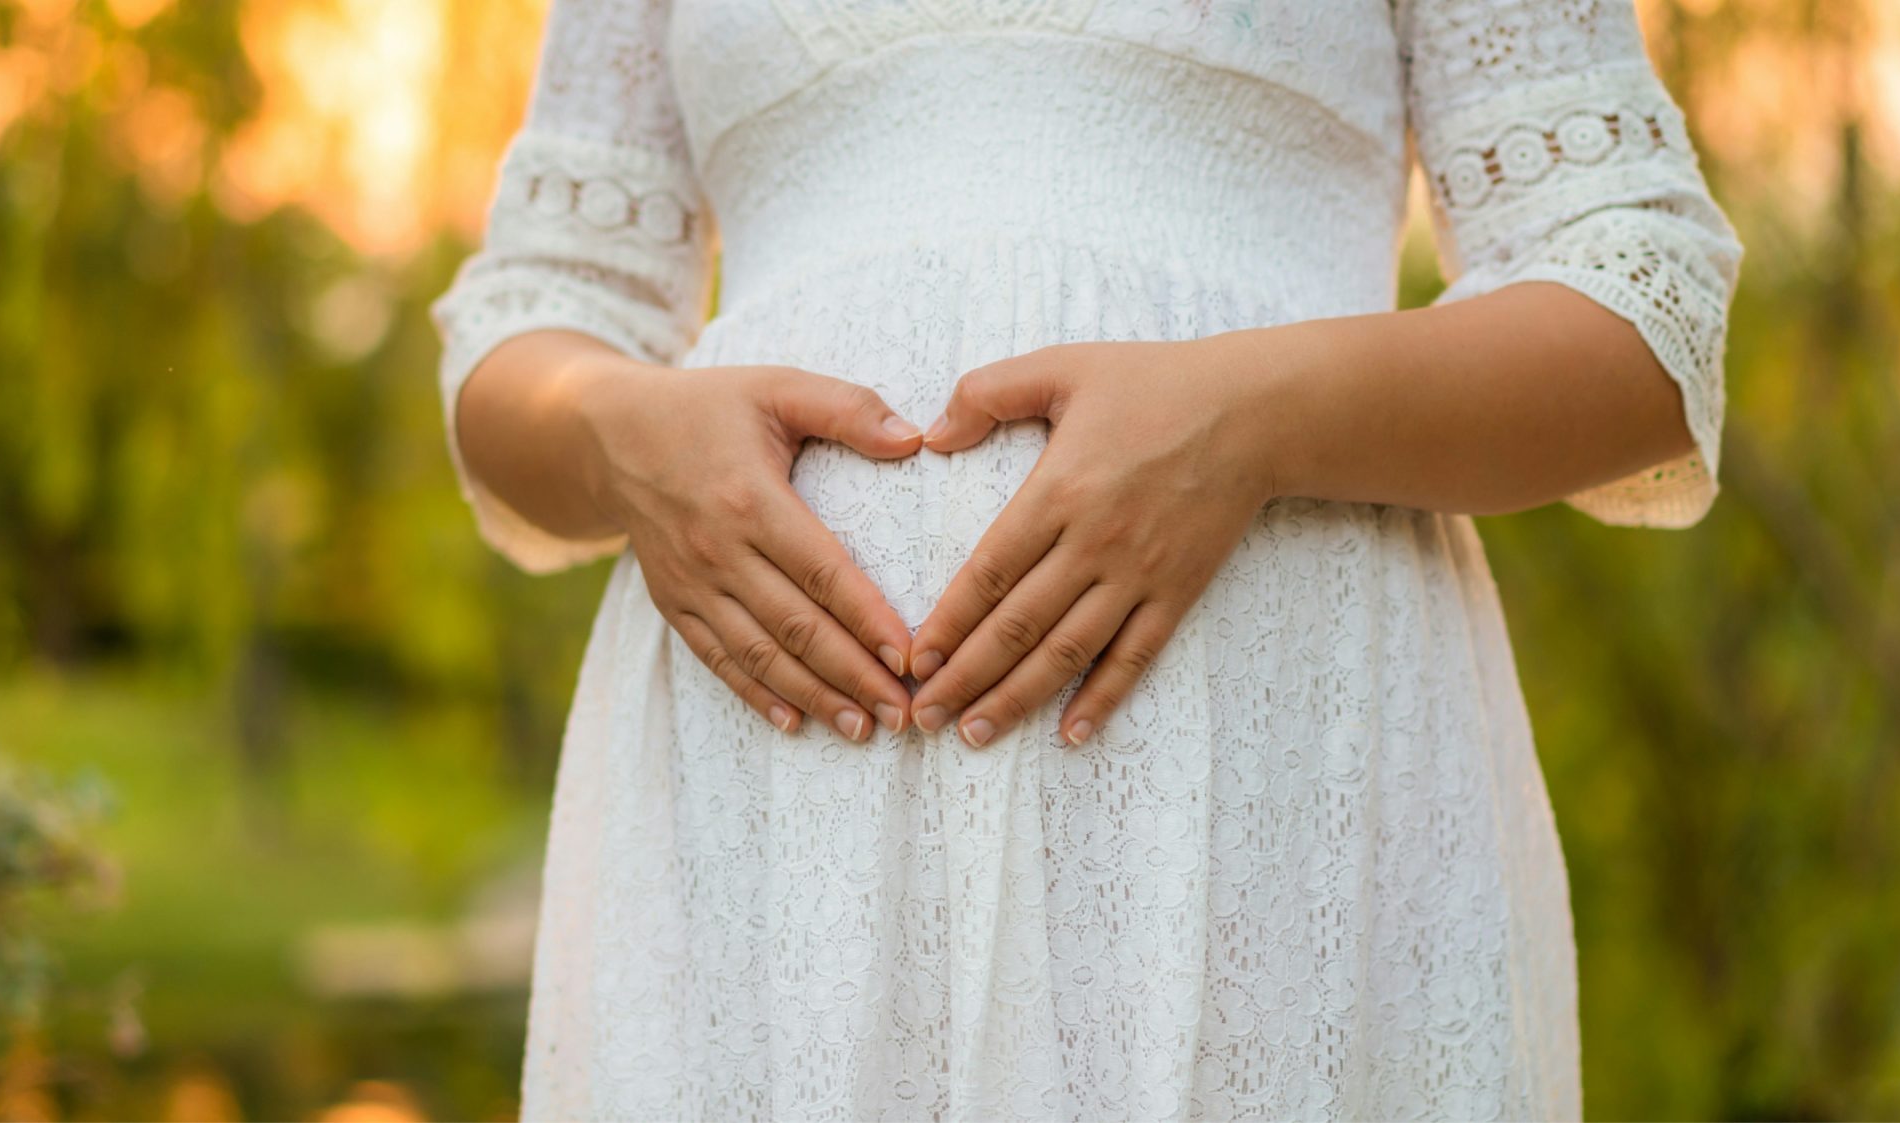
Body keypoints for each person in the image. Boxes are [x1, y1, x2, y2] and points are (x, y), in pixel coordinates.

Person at [431, 0, 1741, 1117]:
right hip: (764, 825)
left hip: (1274, 796)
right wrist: (617, 429)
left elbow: (1645, 316)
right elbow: (531, 320)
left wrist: (1247, 420)